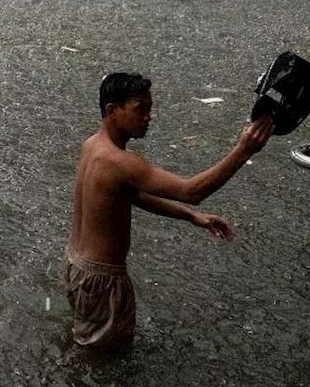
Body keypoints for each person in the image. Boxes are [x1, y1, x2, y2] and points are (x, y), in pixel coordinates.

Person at [63, 72, 274, 351]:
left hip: (75, 265)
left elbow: (132, 196)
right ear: (111, 111)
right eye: (141, 108)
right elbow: (192, 191)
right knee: (107, 358)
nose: (149, 116)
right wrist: (243, 151)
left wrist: (191, 217)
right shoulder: (121, 162)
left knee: (89, 347)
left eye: (150, 107)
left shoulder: (92, 146)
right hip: (102, 279)